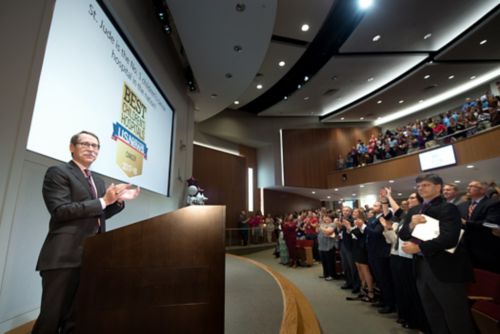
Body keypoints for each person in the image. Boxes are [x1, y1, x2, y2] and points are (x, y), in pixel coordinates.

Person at [32, 131, 140, 334]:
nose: (92, 149)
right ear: (72, 147)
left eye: (96, 146)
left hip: (91, 257)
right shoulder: (58, 172)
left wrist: (117, 201)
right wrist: (103, 201)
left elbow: (97, 215)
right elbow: (60, 211)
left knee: (77, 318)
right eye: (86, 144)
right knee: (51, 318)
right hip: (63, 257)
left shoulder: (97, 181)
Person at [400, 174, 475, 334]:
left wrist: (419, 248)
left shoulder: (448, 208)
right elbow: (403, 235)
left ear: (438, 187)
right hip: (421, 267)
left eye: (425, 185)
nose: (421, 188)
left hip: (446, 268)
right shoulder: (414, 209)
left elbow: (449, 239)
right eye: (419, 186)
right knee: (432, 312)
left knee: (455, 316)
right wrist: (412, 224)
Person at [458, 180, 500, 273]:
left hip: (485, 247)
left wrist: (467, 223)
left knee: (487, 277)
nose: (468, 188)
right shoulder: (462, 206)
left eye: (472, 186)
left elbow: (490, 223)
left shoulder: (493, 203)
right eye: (468, 186)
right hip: (465, 247)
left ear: (482, 190)